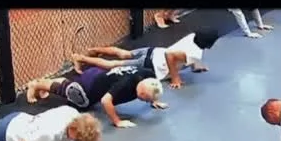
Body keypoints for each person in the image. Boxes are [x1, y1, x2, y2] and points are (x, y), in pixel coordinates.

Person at [67, 29, 219, 90]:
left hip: (154, 51)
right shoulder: (195, 54)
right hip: (152, 65)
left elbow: (184, 53)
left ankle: (94, 50)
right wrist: (175, 78)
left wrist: (195, 66)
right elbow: (171, 55)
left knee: (124, 54)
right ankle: (80, 58)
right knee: (114, 65)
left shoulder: (193, 36)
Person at [26, 65, 166, 127]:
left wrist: (153, 100)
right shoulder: (126, 83)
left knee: (73, 88)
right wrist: (117, 121)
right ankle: (36, 85)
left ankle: (56, 82)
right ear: (141, 91)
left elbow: (153, 86)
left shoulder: (148, 75)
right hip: (89, 85)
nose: (143, 100)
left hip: (99, 75)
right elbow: (106, 101)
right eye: (144, 98)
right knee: (80, 100)